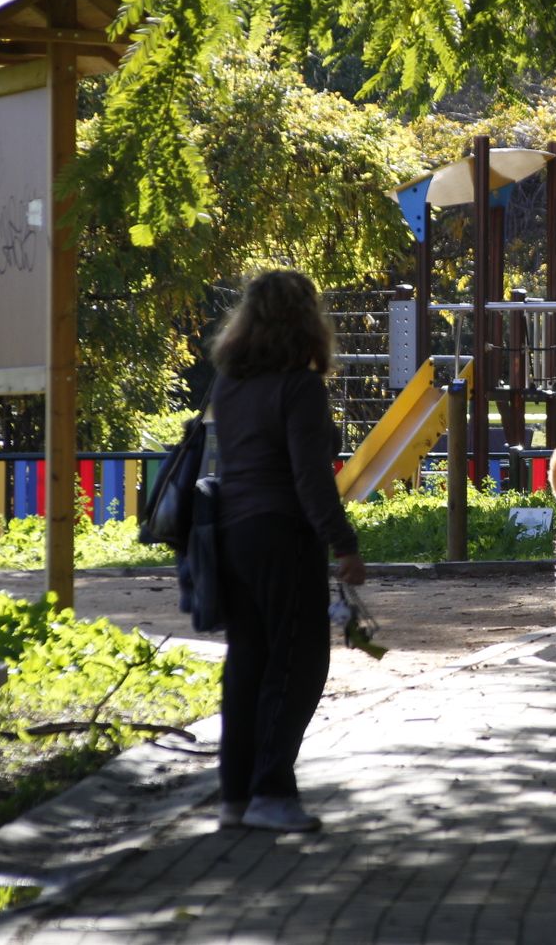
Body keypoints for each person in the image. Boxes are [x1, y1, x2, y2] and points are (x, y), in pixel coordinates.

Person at [208, 268, 366, 833]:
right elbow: (311, 479)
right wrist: (343, 544)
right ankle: (272, 793)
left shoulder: (228, 384)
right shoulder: (299, 388)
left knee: (247, 663)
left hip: (231, 537)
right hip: (284, 537)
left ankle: (235, 795)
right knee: (298, 663)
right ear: (305, 321)